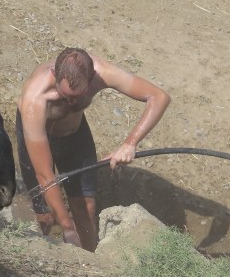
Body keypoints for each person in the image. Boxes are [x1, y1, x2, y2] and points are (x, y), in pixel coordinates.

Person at [16, 47, 171, 252]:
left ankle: (91, 261)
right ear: (55, 74)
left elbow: (159, 97)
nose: (71, 102)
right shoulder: (35, 97)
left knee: (86, 207)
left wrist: (129, 143)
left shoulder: (103, 72)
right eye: (64, 96)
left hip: (74, 135)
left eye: (77, 97)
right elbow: (45, 175)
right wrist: (67, 228)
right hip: (37, 136)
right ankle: (39, 254)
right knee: (45, 215)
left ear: (91, 78)